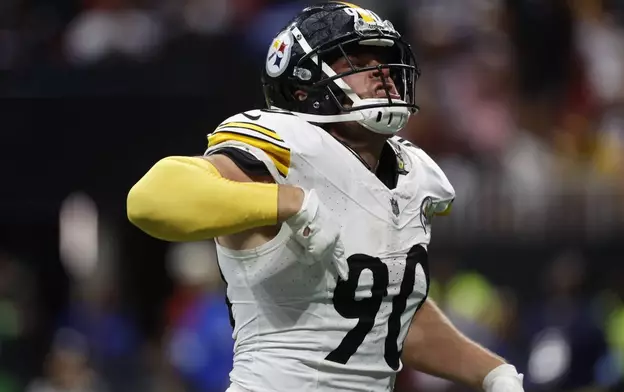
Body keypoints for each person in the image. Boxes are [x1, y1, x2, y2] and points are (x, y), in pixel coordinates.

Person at [126, 2, 525, 392]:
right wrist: (288, 203)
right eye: (357, 61)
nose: (382, 72)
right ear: (303, 88)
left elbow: (391, 315)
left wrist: (492, 372)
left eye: (383, 60)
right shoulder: (285, 147)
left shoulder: (411, 171)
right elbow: (150, 199)